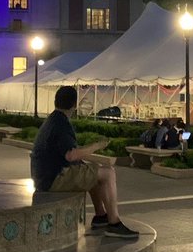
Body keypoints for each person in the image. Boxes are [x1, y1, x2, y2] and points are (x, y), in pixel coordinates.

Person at [31, 85, 139, 239]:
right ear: (75, 104)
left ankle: (101, 215)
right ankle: (114, 223)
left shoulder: (52, 120)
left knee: (92, 171)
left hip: (44, 177)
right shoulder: (61, 124)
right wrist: (96, 146)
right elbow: (71, 155)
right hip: (54, 178)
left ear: (56, 101)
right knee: (108, 173)